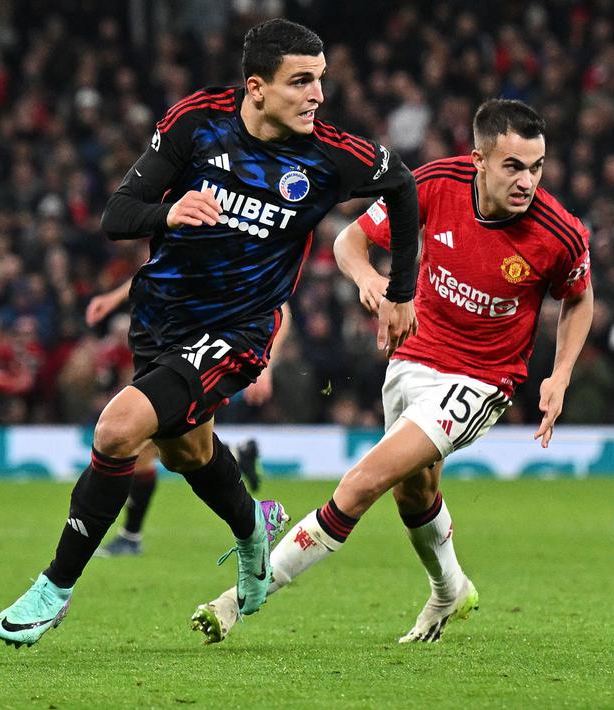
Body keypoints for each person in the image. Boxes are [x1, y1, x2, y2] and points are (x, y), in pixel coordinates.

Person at [0, 18, 420, 647]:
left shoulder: (329, 154)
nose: (317, 96)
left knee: (118, 429)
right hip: (161, 318)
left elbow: (403, 185)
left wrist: (401, 292)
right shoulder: (197, 123)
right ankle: (252, 531)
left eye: (320, 80)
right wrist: (169, 210)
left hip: (240, 330)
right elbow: (117, 214)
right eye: (301, 81)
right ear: (256, 87)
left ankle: (53, 589)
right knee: (184, 452)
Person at [190, 98, 593, 644]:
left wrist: (561, 373)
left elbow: (579, 299)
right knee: (414, 493)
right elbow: (348, 241)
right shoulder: (434, 183)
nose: (527, 181)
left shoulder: (558, 233)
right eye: (513, 166)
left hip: (482, 380)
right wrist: (370, 281)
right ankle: (451, 589)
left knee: (363, 483)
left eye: (537, 166)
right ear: (478, 158)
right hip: (413, 357)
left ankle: (239, 599)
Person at [83, 280, 278, 557]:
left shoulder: (250, 259)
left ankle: (130, 537)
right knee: (179, 451)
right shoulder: (191, 250)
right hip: (172, 345)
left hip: (200, 356)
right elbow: (160, 265)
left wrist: (267, 364)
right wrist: (115, 297)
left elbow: (279, 309)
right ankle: (238, 459)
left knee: (151, 448)